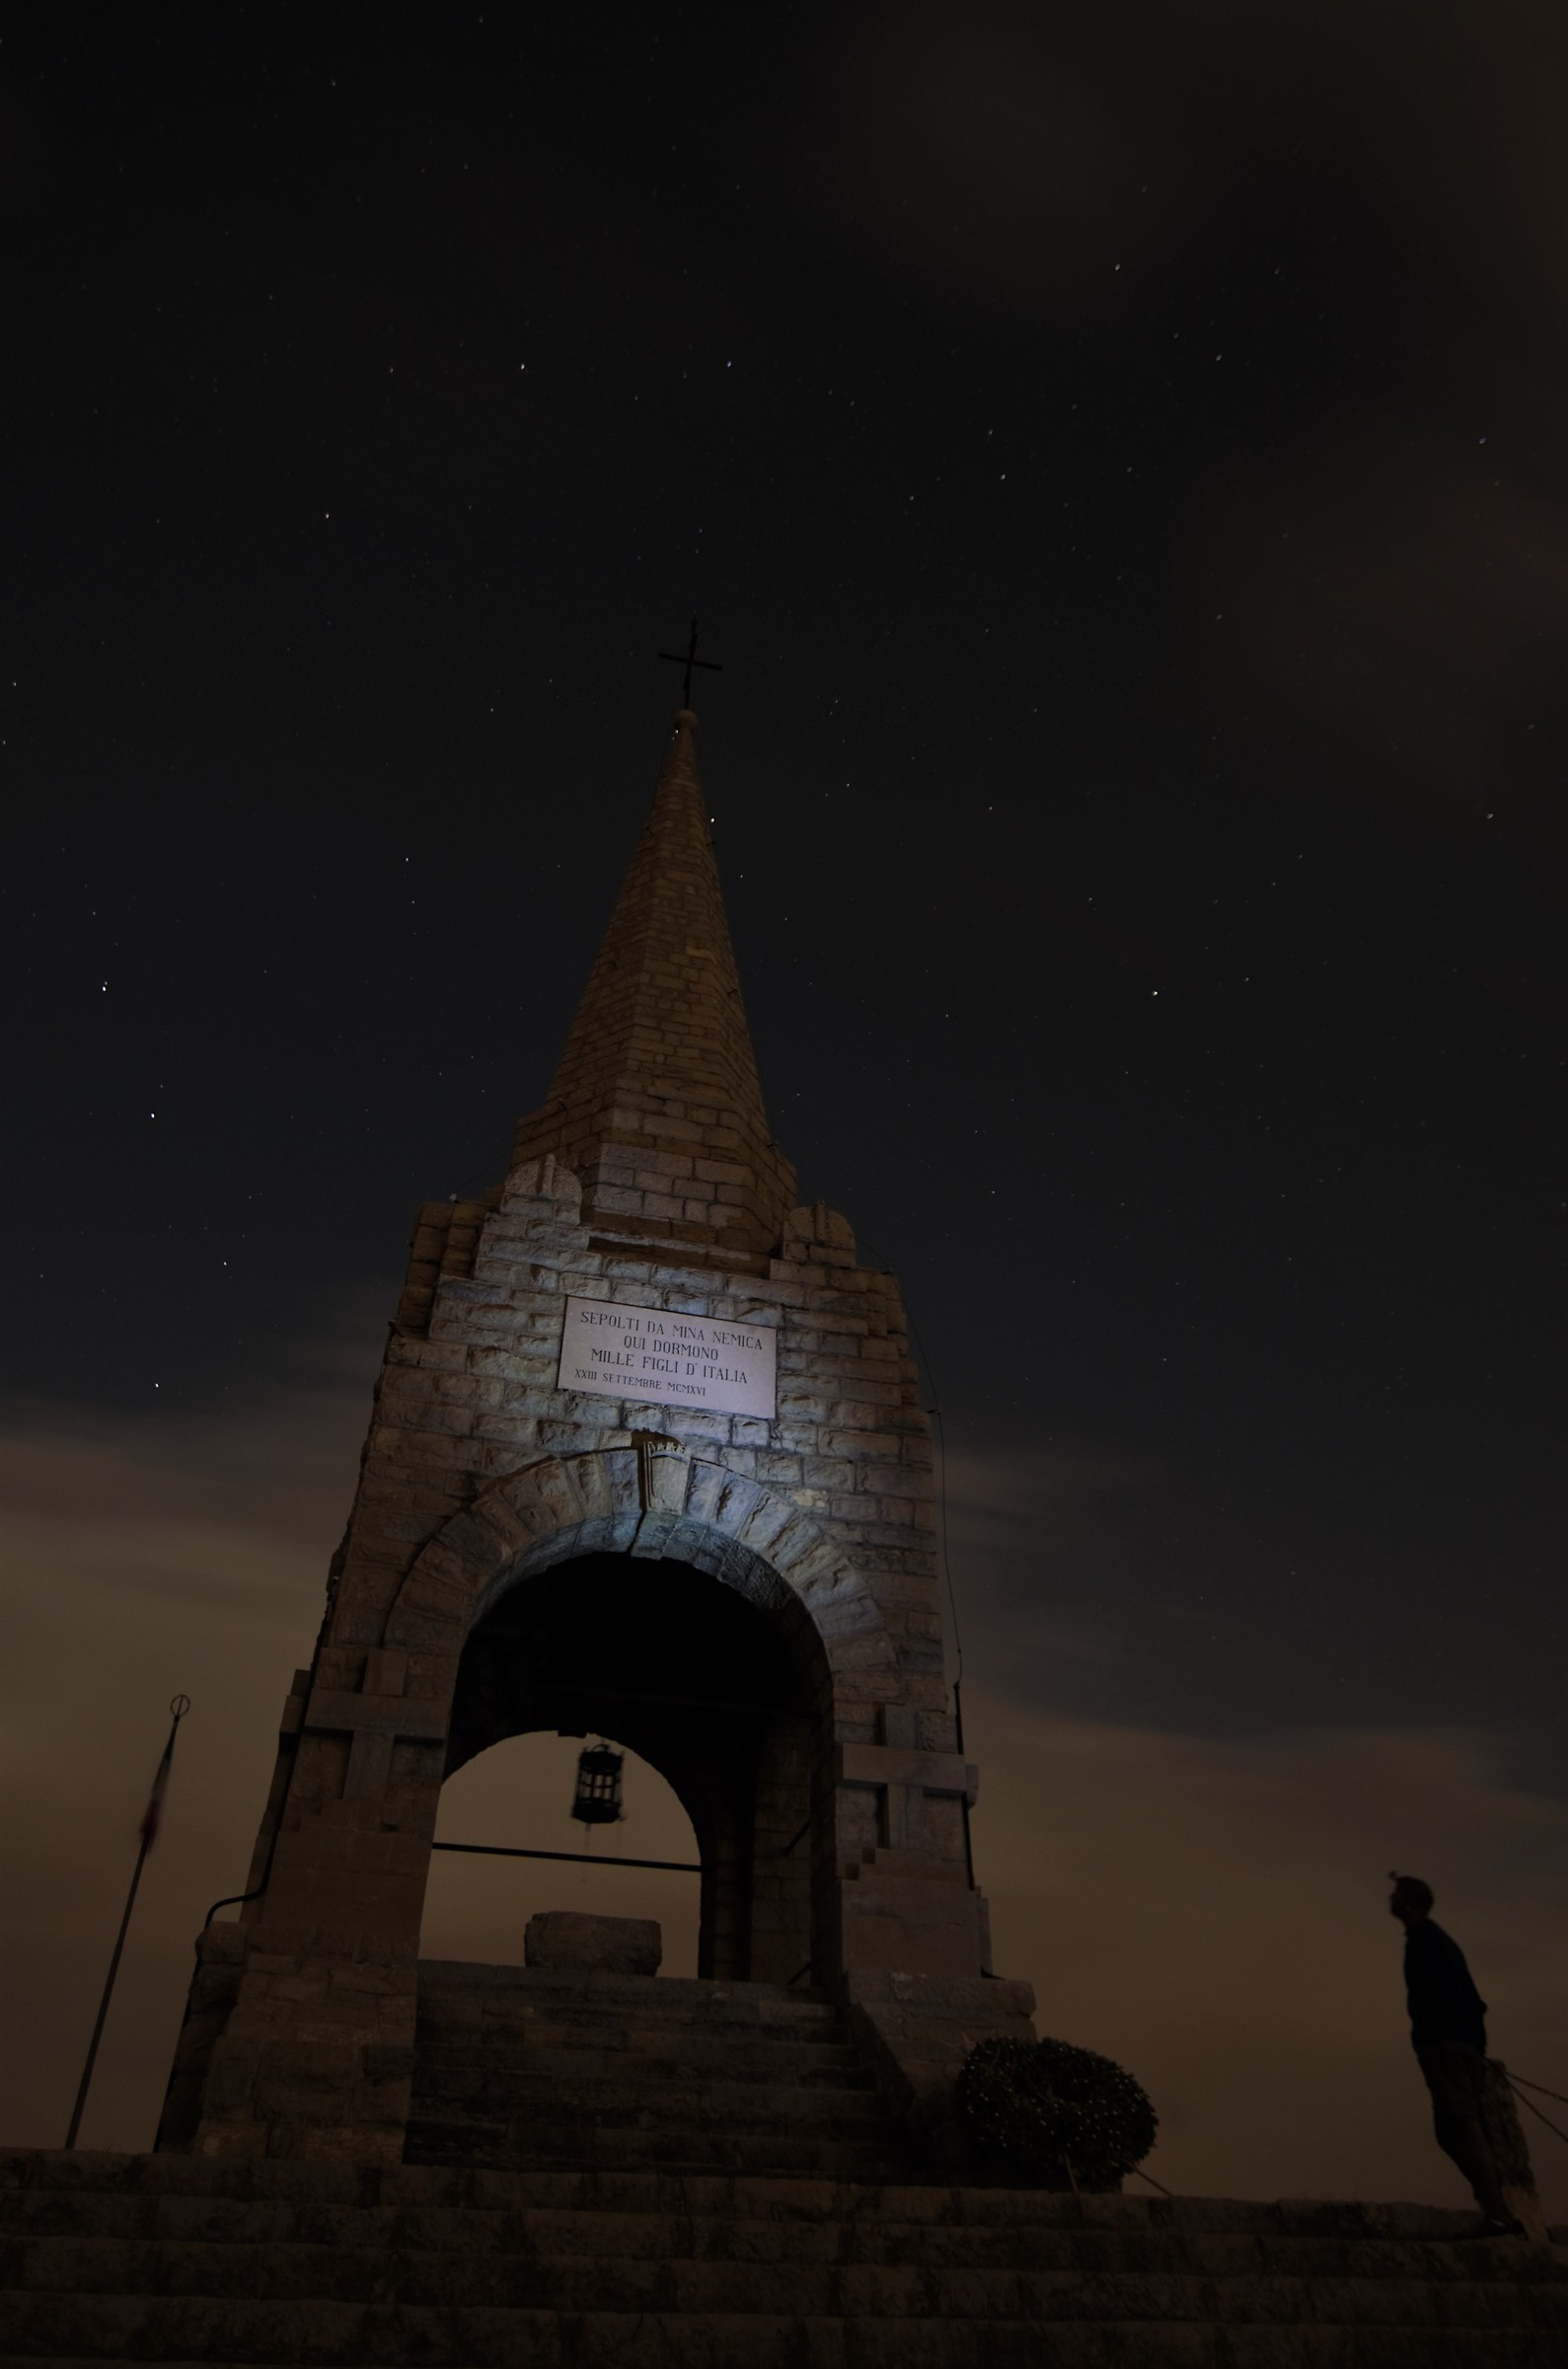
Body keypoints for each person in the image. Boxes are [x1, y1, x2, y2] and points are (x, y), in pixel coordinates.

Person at [1387, 1872, 1523, 2238]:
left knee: (1462, 2125)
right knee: (1449, 2131)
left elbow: (1437, 1994)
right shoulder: (1440, 1941)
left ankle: (1499, 2216)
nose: (1390, 1898)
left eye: (1396, 1893)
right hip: (1459, 2042)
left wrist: (1436, 2037)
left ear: (1410, 1902)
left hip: (1446, 2044)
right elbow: (1472, 1998)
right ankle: (1493, 2206)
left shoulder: (1425, 1941)